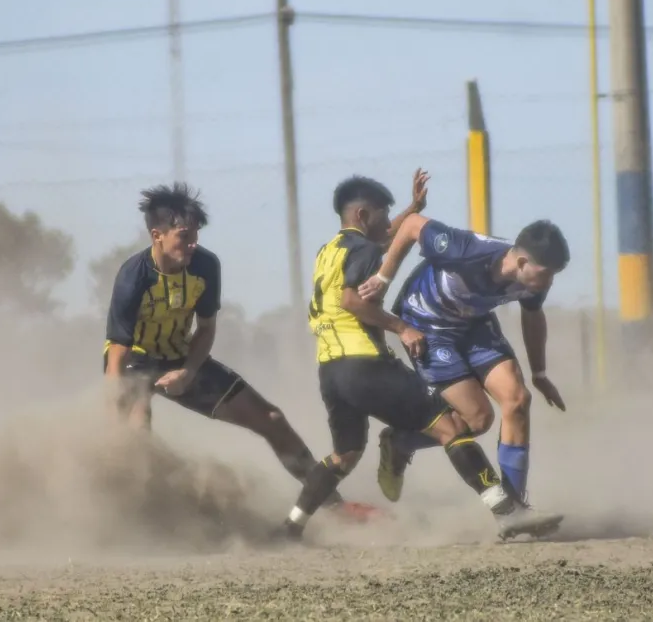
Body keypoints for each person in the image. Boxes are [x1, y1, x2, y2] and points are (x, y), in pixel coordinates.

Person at [282, 174, 563, 541]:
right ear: (364, 216)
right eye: (384, 217)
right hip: (389, 349)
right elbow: (355, 293)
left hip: (332, 367)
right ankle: (502, 509)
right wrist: (395, 312)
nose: (390, 226)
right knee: (461, 426)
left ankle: (290, 528)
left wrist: (539, 372)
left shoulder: (330, 250)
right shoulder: (456, 249)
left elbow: (391, 233)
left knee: (345, 454)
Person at [103, 181, 382, 526]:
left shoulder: (204, 266)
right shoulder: (133, 277)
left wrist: (188, 372)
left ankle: (331, 505)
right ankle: (133, 521)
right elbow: (117, 354)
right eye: (183, 236)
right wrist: (113, 413)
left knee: (272, 420)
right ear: (157, 235)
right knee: (135, 429)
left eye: (195, 236)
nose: (192, 245)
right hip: (137, 361)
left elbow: (205, 330)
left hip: (180, 357)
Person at [356, 213, 570, 517]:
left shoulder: (535, 282)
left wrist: (539, 373)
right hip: (427, 326)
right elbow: (412, 224)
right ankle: (400, 440)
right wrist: (383, 278)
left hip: (473, 324)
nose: (549, 282)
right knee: (478, 419)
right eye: (547, 273)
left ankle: (515, 508)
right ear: (522, 263)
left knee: (518, 400)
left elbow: (533, 315)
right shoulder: (463, 249)